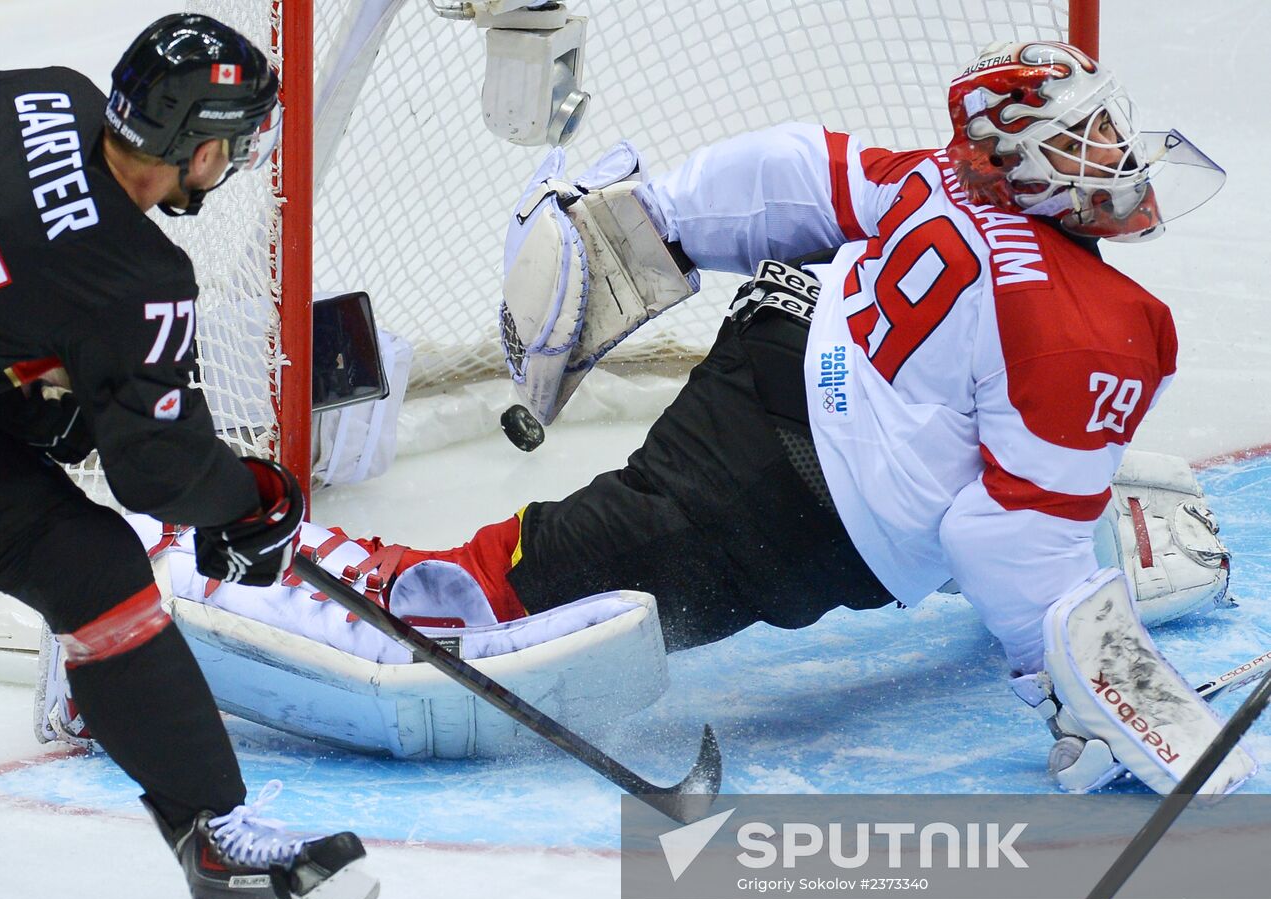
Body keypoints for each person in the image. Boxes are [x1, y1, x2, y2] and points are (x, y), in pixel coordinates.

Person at [335, 41, 1252, 797]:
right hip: (789, 505)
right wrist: (1085, 691)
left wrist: (653, 219)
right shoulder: (1102, 328)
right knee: (579, 575)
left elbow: (799, 174)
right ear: (1024, 154)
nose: (1118, 151)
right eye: (1087, 135)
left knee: (951, 462)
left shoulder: (942, 179)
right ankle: (392, 592)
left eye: (1106, 127)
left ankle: (1085, 538)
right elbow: (1008, 540)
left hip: (772, 361)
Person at [0, 13, 377, 899]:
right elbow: (158, 475)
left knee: (72, 473)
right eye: (233, 143)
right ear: (199, 145)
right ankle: (221, 851)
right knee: (100, 566)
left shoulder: (31, 88)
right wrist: (255, 495)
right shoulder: (137, 276)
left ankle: (153, 761)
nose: (236, 158)